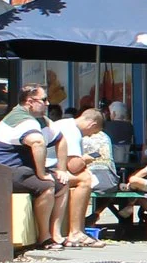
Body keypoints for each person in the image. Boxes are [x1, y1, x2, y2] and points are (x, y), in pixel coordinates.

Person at [0, 84, 60, 246]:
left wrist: (61, 170)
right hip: (2, 173)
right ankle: (44, 237)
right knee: (47, 186)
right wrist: (42, 174)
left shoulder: (20, 115)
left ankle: (57, 233)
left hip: (3, 171)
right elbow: (38, 143)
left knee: (62, 183)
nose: (47, 104)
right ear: (30, 102)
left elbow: (60, 138)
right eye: (44, 100)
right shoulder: (25, 121)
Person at [49, 98, 117, 247]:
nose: (90, 136)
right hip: (49, 171)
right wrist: (86, 159)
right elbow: (73, 166)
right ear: (92, 124)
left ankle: (76, 229)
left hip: (49, 168)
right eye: (93, 132)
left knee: (84, 176)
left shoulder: (64, 123)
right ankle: (75, 232)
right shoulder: (73, 132)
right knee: (85, 179)